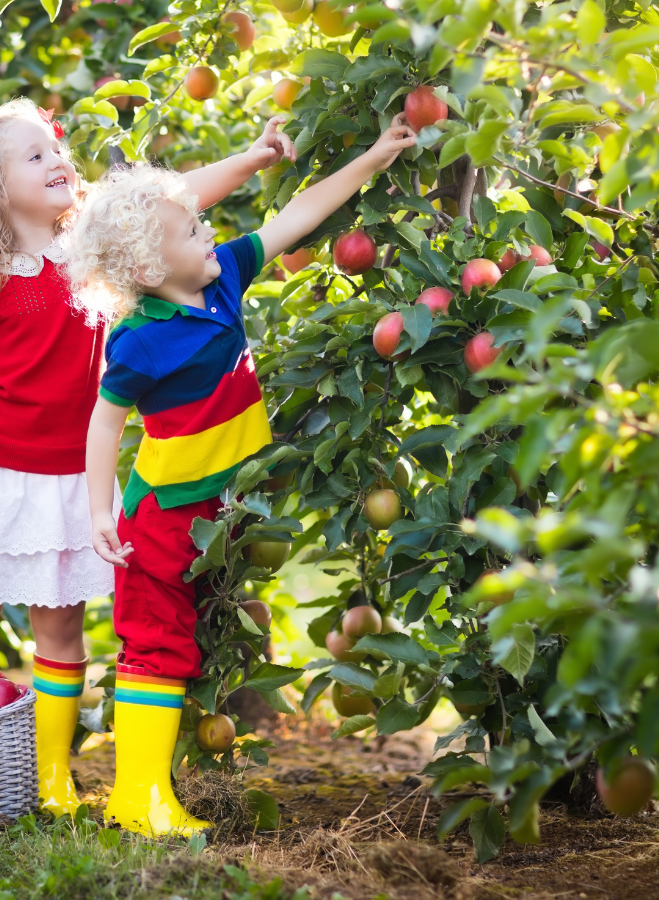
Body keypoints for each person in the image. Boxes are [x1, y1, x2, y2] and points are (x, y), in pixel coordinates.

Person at [0, 98, 296, 819]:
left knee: (61, 631)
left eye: (54, 148)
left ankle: (50, 776)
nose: (58, 160)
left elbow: (175, 200)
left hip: (71, 478)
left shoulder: (90, 236)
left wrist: (252, 158)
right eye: (33, 156)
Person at [67, 113, 418, 836]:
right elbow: (106, 423)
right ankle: (138, 798)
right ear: (145, 270)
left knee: (188, 640)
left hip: (221, 512)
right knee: (155, 645)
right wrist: (100, 512)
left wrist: (375, 158)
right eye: (191, 229)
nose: (208, 232)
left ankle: (150, 790)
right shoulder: (138, 343)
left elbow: (300, 212)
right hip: (162, 515)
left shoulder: (224, 277)